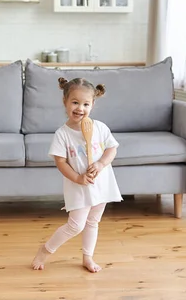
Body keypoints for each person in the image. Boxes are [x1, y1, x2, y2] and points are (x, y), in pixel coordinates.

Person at [31, 77, 122, 273]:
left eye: (85, 104)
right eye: (75, 102)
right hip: (78, 185)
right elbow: (60, 162)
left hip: (101, 183)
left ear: (93, 105)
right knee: (75, 225)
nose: (80, 108)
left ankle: (87, 257)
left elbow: (112, 149)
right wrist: (78, 178)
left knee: (93, 222)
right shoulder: (62, 134)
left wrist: (100, 163)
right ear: (65, 102)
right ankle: (45, 250)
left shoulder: (100, 128)